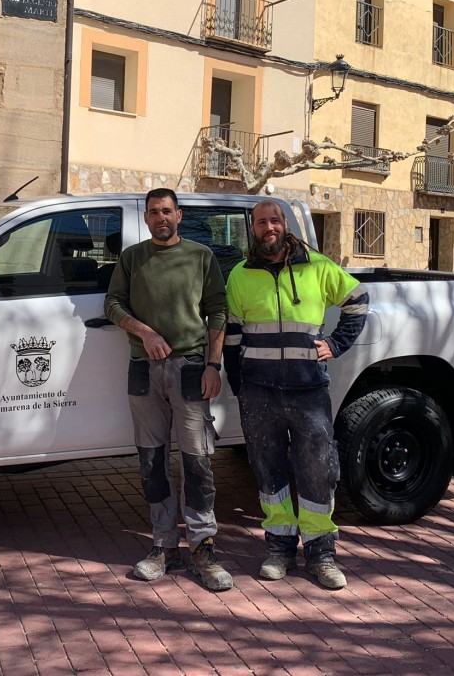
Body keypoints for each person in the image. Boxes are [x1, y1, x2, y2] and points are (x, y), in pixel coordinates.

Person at [224, 199, 368, 589]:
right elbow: (232, 338)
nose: (268, 228)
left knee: (318, 471)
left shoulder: (319, 268)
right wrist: (240, 388)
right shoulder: (239, 275)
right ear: (252, 229)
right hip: (259, 392)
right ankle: (279, 549)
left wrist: (336, 344)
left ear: (284, 224)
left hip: (308, 390)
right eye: (260, 222)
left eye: (274, 220)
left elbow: (358, 301)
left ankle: (322, 554)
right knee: (268, 473)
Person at [104, 188, 233, 592]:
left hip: (192, 368)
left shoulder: (200, 257)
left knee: (197, 461)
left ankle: (202, 547)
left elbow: (218, 310)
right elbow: (112, 304)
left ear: (179, 215)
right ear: (145, 219)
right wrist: (145, 332)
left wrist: (214, 364)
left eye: (167, 211)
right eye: (153, 212)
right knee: (151, 460)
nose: (160, 218)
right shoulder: (132, 258)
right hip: (144, 368)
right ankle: (163, 545)